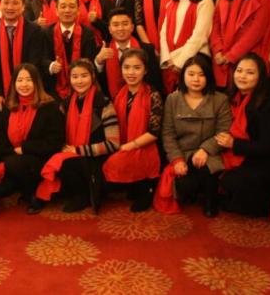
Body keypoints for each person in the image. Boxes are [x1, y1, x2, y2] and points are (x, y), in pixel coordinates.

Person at [35, 59, 119, 213]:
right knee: (50, 154)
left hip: (96, 158)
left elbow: (113, 144)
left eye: (84, 76)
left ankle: (83, 196)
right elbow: (57, 135)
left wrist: (79, 150)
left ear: (92, 76)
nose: (79, 81)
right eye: (75, 77)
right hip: (72, 153)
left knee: (67, 163)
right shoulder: (65, 104)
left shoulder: (103, 104)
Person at [156, 54, 231, 217]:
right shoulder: (172, 99)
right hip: (183, 152)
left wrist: (205, 149)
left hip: (210, 153)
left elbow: (224, 131)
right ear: (183, 76)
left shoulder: (220, 100)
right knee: (185, 185)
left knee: (208, 172)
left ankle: (210, 201)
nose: (196, 79)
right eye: (191, 74)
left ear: (208, 77)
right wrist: (177, 159)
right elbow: (168, 134)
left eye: (201, 74)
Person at [217, 54, 270, 217]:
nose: (242, 76)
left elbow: (269, 146)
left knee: (234, 182)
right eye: (239, 71)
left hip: (261, 161)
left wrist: (234, 144)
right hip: (234, 155)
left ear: (260, 77)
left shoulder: (266, 105)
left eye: (250, 72)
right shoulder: (229, 98)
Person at [0, 64, 64, 214]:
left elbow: (55, 142)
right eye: (20, 80)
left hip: (41, 159)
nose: (24, 84)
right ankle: (21, 184)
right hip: (13, 158)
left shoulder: (49, 107)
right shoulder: (8, 107)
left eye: (29, 80)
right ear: (14, 83)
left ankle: (34, 192)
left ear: (36, 82)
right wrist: (14, 152)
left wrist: (24, 149)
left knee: (15, 164)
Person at [102, 48, 163, 212]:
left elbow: (154, 132)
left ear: (145, 70)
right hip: (122, 143)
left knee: (112, 164)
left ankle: (146, 188)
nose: (131, 72)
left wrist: (130, 145)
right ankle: (132, 185)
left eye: (137, 68)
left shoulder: (153, 94)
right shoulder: (120, 94)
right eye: (126, 67)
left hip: (144, 145)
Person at [0, 0, 46, 113]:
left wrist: (26, 89)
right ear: (0, 5)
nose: (10, 7)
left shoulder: (34, 30)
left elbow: (34, 64)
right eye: (6, 2)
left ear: (23, 7)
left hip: (28, 89)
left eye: (15, 3)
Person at [159, 0, 214, 94]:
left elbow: (199, 36)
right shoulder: (172, 1)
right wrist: (167, 59)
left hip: (195, 60)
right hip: (170, 61)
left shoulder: (204, 1)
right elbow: (163, 33)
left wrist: (179, 62)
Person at [42, 0, 98, 99]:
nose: (67, 10)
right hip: (53, 87)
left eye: (72, 7)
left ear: (78, 11)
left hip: (81, 86)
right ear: (56, 11)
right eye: (63, 7)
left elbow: (90, 60)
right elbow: (42, 59)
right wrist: (50, 66)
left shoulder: (87, 33)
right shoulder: (46, 32)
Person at [95, 8, 142, 99]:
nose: (120, 28)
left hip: (141, 99)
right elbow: (96, 81)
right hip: (111, 101)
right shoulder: (102, 50)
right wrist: (98, 62)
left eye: (125, 24)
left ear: (132, 27)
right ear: (110, 29)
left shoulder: (146, 49)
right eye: (116, 25)